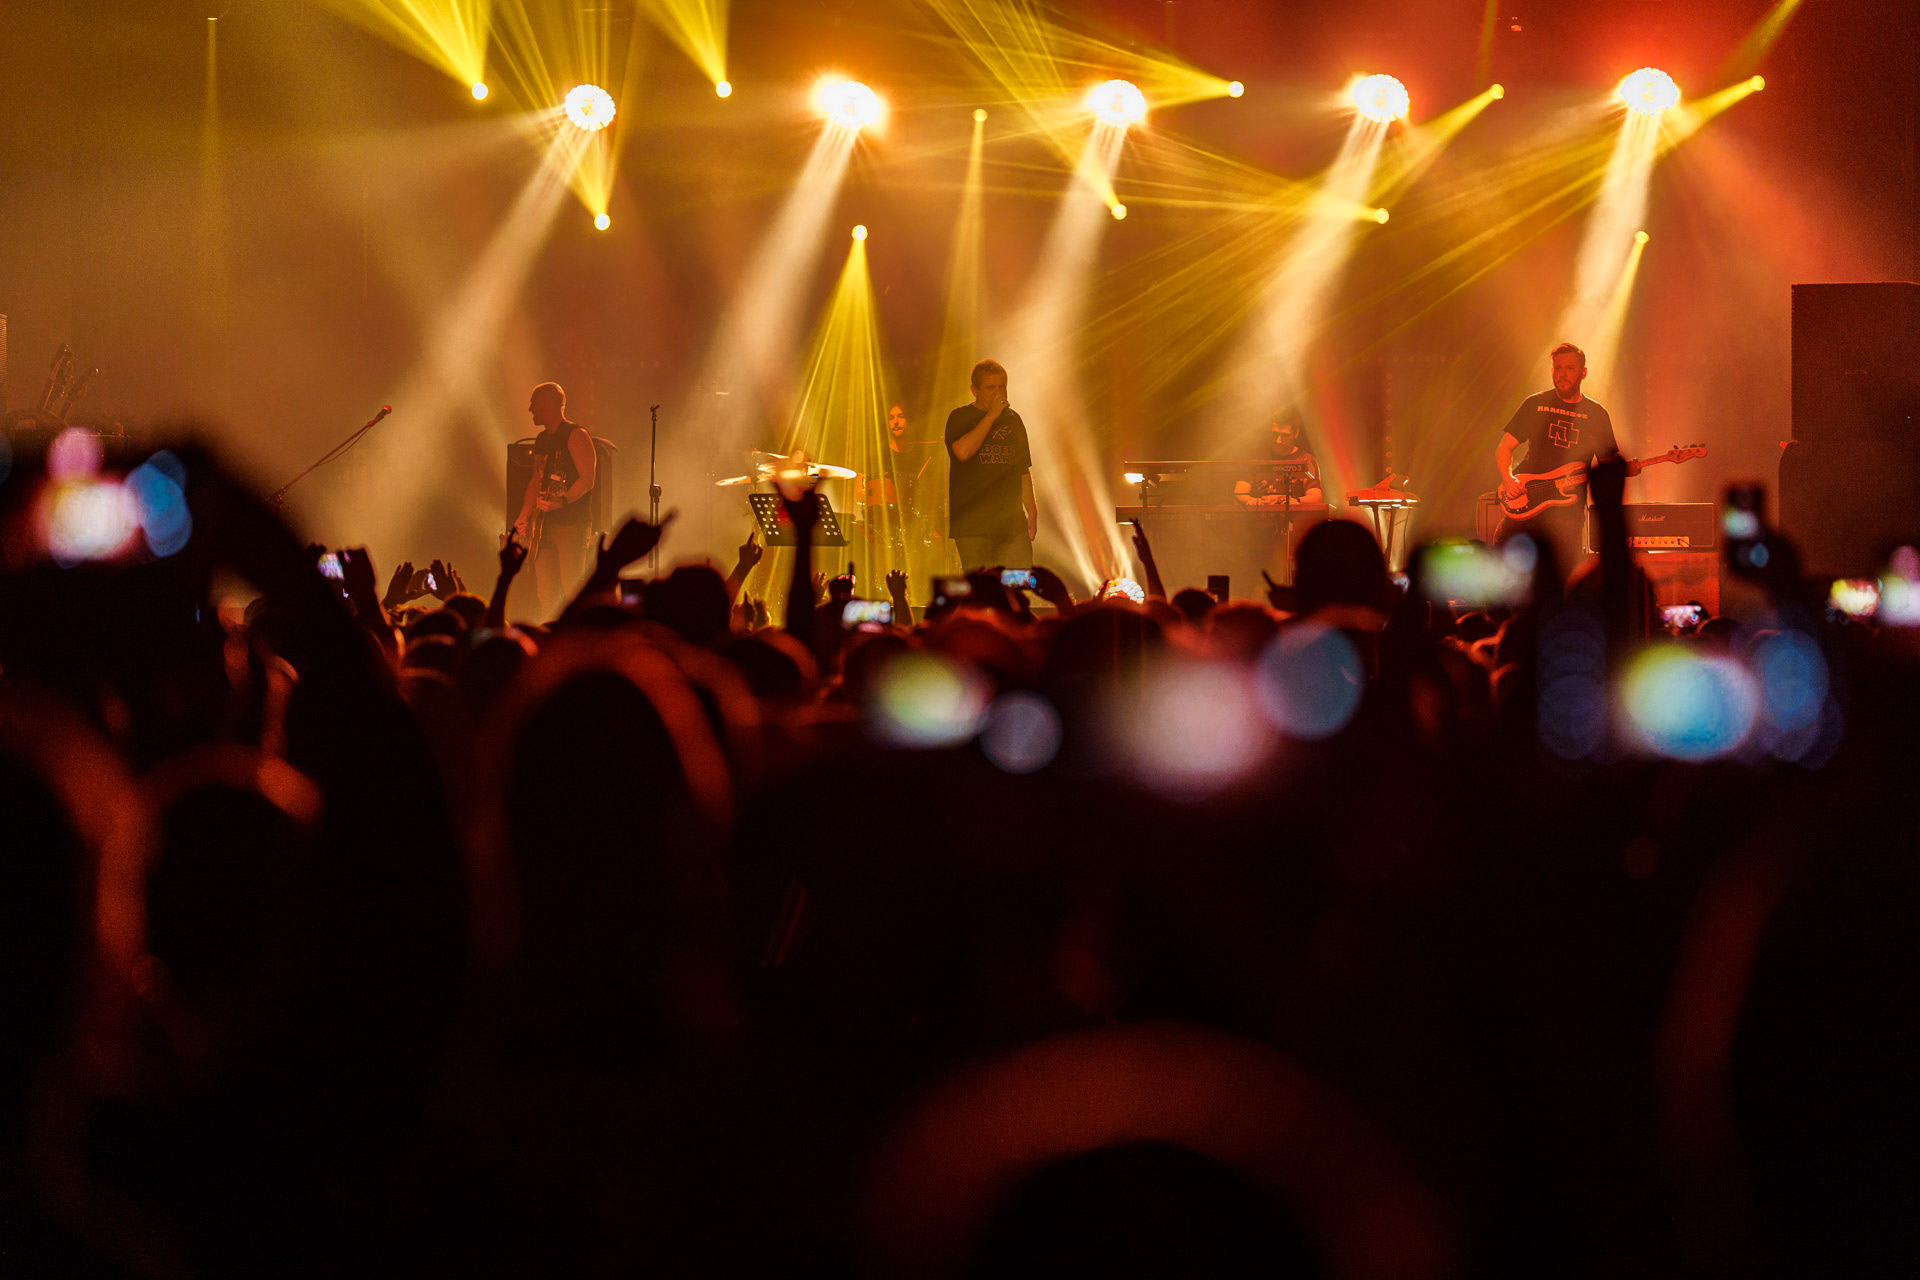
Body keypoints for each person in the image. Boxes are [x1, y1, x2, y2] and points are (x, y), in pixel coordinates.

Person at [1493, 343, 1628, 565]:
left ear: (1583, 373)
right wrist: (1508, 480)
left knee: (1564, 566)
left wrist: (1625, 471)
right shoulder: (1535, 404)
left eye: (1569, 368)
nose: (1562, 374)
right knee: (1509, 562)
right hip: (1525, 499)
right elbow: (1504, 447)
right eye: (1557, 368)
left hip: (1567, 510)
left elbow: (1606, 469)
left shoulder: (1597, 414)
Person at [513, 381, 597, 617]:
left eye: (534, 403)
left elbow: (588, 479)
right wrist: (524, 516)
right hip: (543, 525)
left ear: (550, 405)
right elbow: (536, 480)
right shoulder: (542, 440)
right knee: (545, 592)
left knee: (573, 588)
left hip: (571, 524)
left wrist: (564, 500)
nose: (530, 409)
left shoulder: (576, 435)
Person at [945, 360, 1036, 570]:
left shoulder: (1014, 420)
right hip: (973, 528)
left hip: (1013, 527)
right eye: (990, 388)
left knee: (1016, 589)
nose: (998, 393)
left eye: (1002, 386)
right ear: (974, 390)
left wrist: (1032, 511)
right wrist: (992, 416)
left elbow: (1022, 469)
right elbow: (963, 451)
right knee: (982, 593)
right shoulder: (960, 417)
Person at [1234, 412, 1323, 507]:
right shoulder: (1256, 457)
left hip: (1294, 519)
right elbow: (1239, 491)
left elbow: (1316, 496)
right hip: (1259, 518)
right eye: (1274, 434)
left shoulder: (1306, 460)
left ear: (1296, 433)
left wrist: (1293, 500)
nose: (1278, 440)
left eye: (1285, 435)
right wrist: (1253, 501)